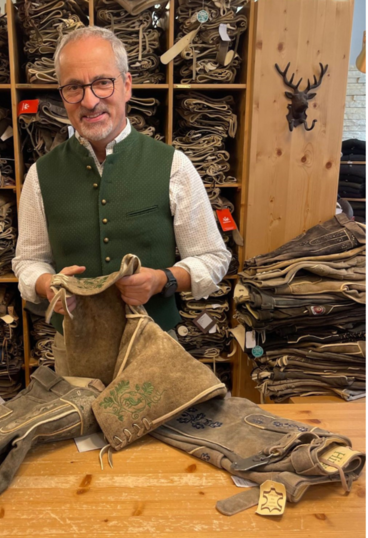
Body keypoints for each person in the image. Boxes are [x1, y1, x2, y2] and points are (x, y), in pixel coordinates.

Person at [12, 27, 231, 374]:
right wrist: (47, 284)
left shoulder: (173, 165)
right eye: (74, 88)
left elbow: (213, 258)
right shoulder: (40, 175)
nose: (89, 101)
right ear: (62, 94)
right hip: (74, 350)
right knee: (80, 430)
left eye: (102, 82)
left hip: (155, 347)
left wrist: (162, 280)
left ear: (126, 85)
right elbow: (28, 261)